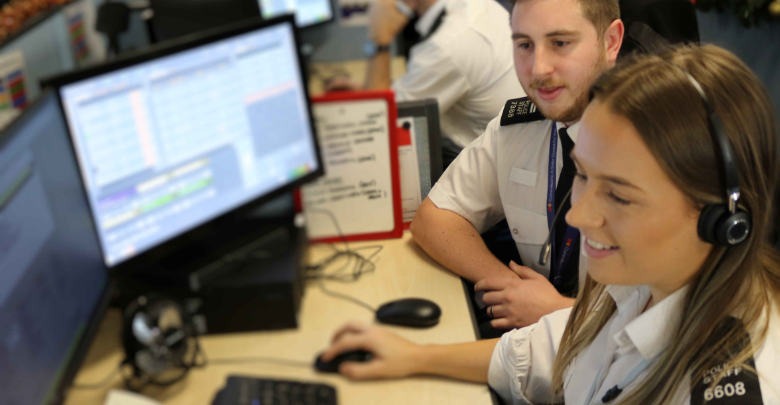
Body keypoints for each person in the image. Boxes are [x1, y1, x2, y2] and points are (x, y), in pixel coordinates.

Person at [318, 44, 780, 404]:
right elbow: (553, 351)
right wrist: (416, 357)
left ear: (723, 219)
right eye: (582, 174)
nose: (578, 216)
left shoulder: (731, 382)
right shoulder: (640, 286)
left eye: (618, 195)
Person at [410, 0, 624, 333]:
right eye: (524, 45)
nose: (538, 69)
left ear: (611, 42)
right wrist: (513, 289)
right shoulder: (519, 127)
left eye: (560, 43)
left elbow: (684, 316)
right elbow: (433, 219)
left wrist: (559, 312)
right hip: (530, 350)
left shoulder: (658, 149)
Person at [329, 0, 525, 167]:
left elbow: (377, 126)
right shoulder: (475, 8)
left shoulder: (446, 45)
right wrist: (374, 91)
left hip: (489, 172)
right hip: (510, 152)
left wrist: (380, 40)